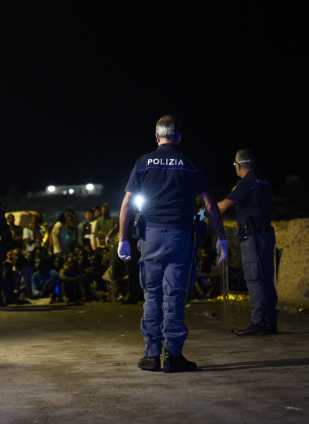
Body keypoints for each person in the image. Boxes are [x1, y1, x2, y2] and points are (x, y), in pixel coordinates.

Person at [118, 115, 228, 373]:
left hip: (150, 236)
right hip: (180, 235)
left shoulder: (143, 163)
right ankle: (173, 357)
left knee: (152, 294)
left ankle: (151, 355)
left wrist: (122, 239)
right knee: (175, 294)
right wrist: (221, 238)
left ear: (157, 137)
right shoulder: (191, 164)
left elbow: (127, 203)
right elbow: (209, 204)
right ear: (179, 137)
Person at [217, 149, 277, 336]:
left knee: (254, 279)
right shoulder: (263, 181)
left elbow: (224, 206)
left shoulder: (246, 183)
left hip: (253, 237)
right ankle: (269, 321)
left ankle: (257, 322)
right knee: (266, 279)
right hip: (265, 234)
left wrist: (205, 211)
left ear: (239, 165)